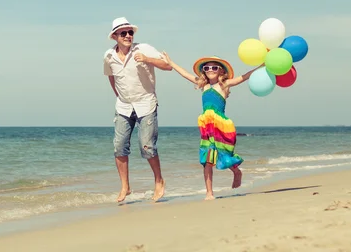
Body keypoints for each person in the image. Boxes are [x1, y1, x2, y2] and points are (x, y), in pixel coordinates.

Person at [160, 52, 260, 200]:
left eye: (214, 67)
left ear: (221, 70)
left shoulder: (224, 84)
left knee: (224, 155)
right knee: (207, 159)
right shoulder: (203, 85)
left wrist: (262, 66)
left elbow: (244, 77)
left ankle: (236, 172)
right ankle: (209, 193)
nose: (210, 70)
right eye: (207, 68)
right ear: (204, 71)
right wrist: (171, 62)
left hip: (221, 126)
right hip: (207, 127)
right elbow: (186, 74)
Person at [103, 17, 172, 203]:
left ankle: (159, 181)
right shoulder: (108, 56)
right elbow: (111, 76)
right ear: (115, 36)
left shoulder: (144, 49)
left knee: (147, 147)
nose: (127, 36)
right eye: (123, 33)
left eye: (130, 32)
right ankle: (125, 186)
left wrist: (147, 59)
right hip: (123, 106)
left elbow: (168, 66)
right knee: (119, 146)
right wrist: (118, 95)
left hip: (146, 104)